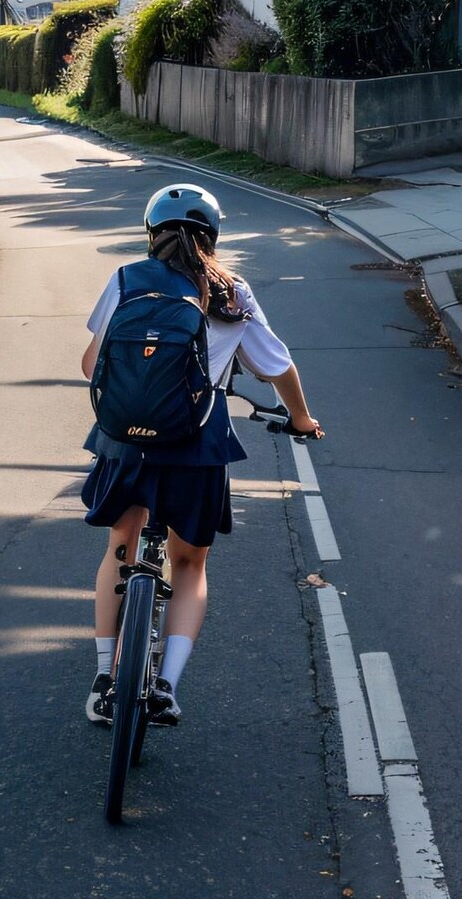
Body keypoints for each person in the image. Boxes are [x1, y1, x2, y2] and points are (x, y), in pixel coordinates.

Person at [80, 183, 321, 728]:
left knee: (121, 546)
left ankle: (102, 677)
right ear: (213, 235)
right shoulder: (233, 293)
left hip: (124, 442)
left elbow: (90, 364)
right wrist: (301, 419)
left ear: (151, 233)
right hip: (198, 446)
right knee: (188, 563)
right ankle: (164, 685)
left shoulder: (125, 281)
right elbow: (276, 366)